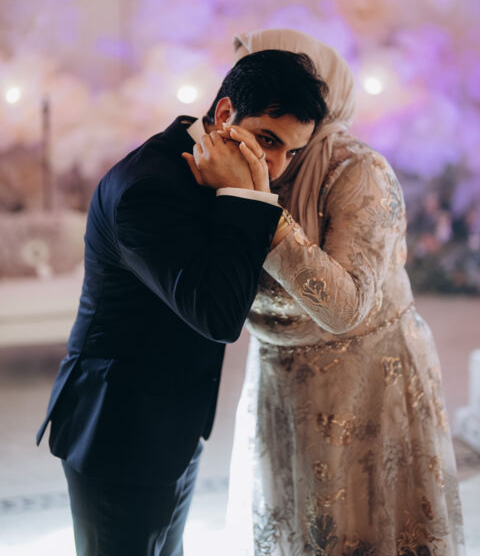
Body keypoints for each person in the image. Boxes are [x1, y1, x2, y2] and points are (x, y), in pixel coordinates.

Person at [36, 48, 328, 556]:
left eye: (291, 152)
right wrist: (249, 199)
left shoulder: (208, 167)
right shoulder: (148, 188)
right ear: (224, 113)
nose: (276, 167)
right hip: (118, 431)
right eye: (267, 140)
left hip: (174, 425)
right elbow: (218, 316)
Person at [224, 29, 465, 555]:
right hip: (278, 376)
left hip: (368, 378)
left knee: (366, 527)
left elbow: (345, 308)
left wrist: (264, 216)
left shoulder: (359, 170)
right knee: (294, 527)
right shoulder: (233, 153)